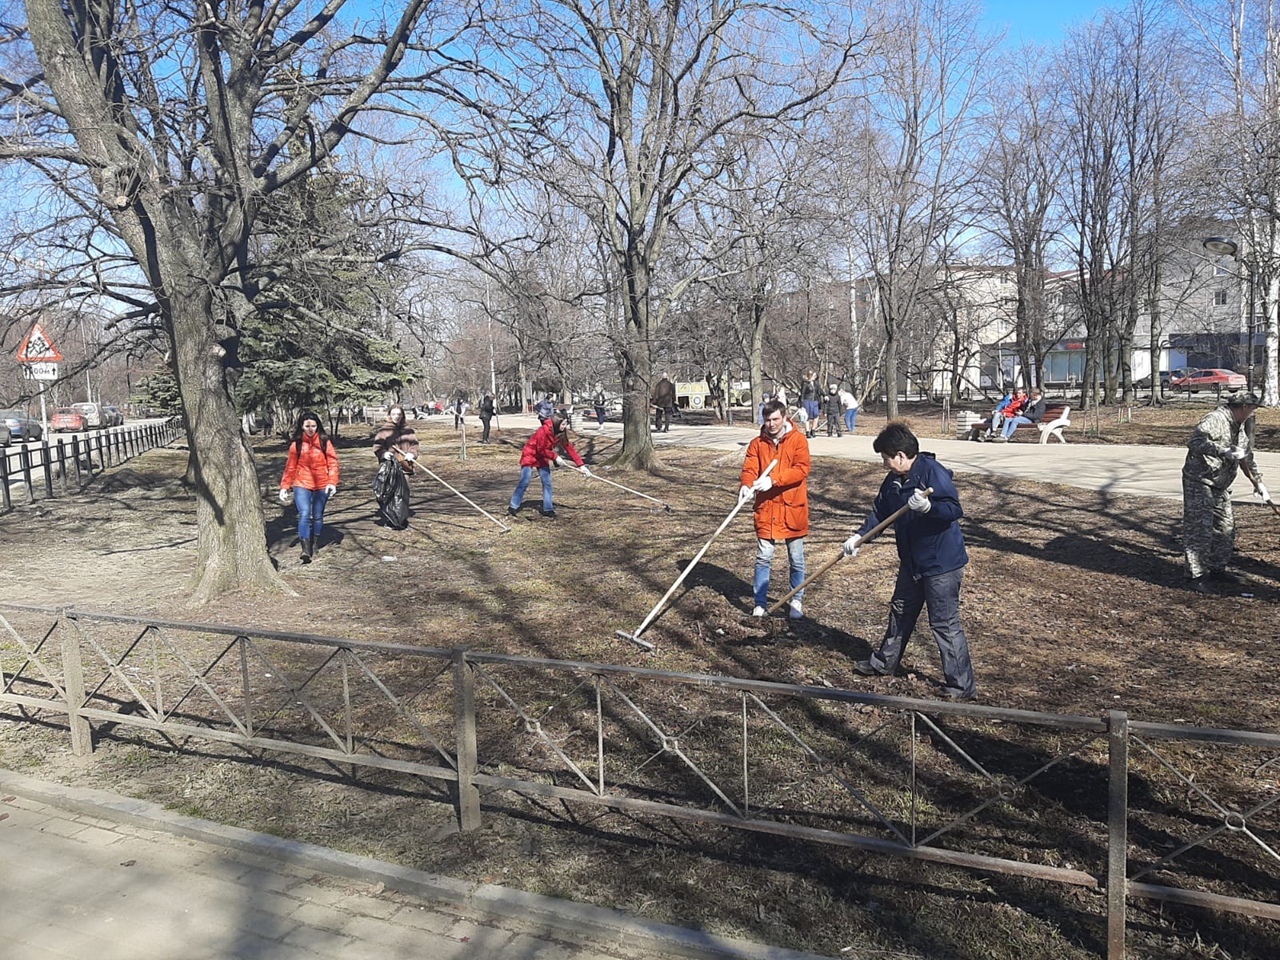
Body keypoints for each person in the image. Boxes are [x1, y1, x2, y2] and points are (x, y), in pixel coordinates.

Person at [843, 423, 976, 701]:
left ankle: (961, 686)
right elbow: (881, 512)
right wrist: (859, 537)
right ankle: (884, 663)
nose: (884, 464)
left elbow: (953, 509)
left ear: (901, 455)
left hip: (941, 563)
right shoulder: (893, 480)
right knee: (900, 611)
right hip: (912, 561)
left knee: (943, 623)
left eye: (886, 458)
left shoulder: (932, 473)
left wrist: (929, 508)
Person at [1182, 392, 1267, 593]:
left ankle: (1217, 568)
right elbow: (1194, 442)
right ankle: (1195, 576)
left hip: (1220, 485)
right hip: (1199, 481)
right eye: (1252, 409)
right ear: (1244, 407)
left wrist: (1258, 483)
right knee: (1199, 530)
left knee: (1225, 527)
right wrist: (1223, 450)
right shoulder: (1215, 419)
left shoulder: (1238, 428)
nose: (1253, 413)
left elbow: (1246, 458)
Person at [740, 398, 811, 620]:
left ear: (784, 417)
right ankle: (760, 603)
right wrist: (746, 484)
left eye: (776, 419)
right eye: (768, 420)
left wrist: (774, 480)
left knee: (796, 558)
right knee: (763, 557)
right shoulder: (757, 444)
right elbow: (750, 467)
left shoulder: (798, 440)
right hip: (767, 508)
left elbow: (801, 469)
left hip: (792, 508)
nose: (771, 424)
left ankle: (796, 600)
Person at [279, 411, 340, 563]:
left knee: (318, 515)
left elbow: (333, 463)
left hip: (322, 484)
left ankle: (315, 542)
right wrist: (284, 486)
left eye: (313, 426)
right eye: (307, 426)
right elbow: (290, 466)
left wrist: (332, 482)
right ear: (302, 426)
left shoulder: (325, 441)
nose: (311, 429)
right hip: (302, 483)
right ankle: (305, 549)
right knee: (305, 513)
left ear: (318, 426)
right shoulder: (296, 444)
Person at [508, 407, 591, 519]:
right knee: (525, 480)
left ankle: (548, 509)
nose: (565, 427)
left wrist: (582, 466)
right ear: (557, 423)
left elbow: (569, 448)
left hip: (543, 457)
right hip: (530, 454)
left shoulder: (561, 433)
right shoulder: (543, 431)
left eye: (566, 424)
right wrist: (555, 457)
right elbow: (541, 449)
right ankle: (513, 506)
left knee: (547, 482)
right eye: (563, 424)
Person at [371, 405, 418, 529]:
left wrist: (411, 454)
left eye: (399, 414)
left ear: (402, 415)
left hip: (405, 466)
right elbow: (377, 447)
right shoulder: (384, 431)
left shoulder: (408, 430)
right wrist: (383, 454)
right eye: (394, 414)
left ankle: (402, 520)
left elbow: (414, 445)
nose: (396, 417)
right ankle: (391, 520)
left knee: (404, 493)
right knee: (390, 493)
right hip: (390, 468)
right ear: (390, 415)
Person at [800, 371, 821, 439]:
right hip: (807, 401)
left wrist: (825, 395)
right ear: (810, 376)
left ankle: (813, 430)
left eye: (815, 376)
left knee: (816, 415)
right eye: (813, 375)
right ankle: (807, 432)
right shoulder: (805, 383)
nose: (815, 377)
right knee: (807, 417)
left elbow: (820, 390)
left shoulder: (816, 383)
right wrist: (802, 403)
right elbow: (802, 393)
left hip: (814, 401)